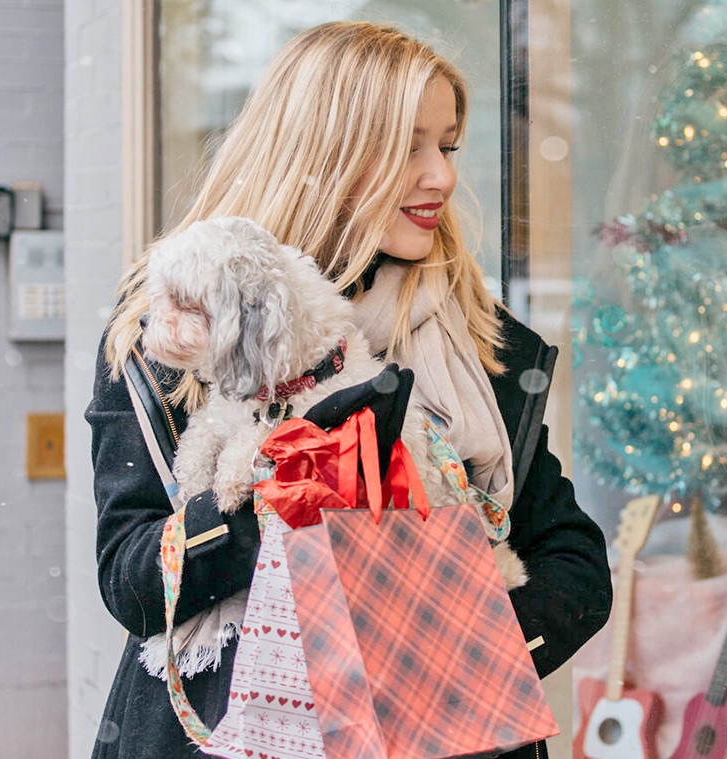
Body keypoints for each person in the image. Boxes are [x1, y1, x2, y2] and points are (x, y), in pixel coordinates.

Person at [86, 20, 612, 759]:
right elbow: (132, 580)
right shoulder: (182, 333)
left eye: (449, 146)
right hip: (229, 735)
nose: (443, 176)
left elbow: (573, 561)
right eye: (408, 147)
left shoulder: (480, 346)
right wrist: (277, 497)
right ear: (322, 154)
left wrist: (457, 662)